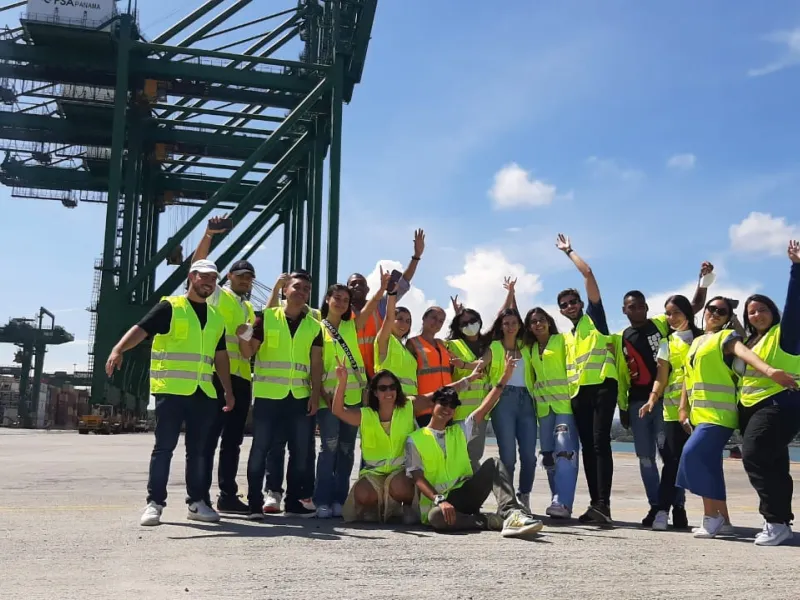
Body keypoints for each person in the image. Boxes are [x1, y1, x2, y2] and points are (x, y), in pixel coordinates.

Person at [105, 259, 235, 526]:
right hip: (171, 390)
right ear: (192, 277)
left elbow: (220, 356)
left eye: (213, 278)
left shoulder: (216, 317)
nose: (209, 282)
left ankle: (196, 503)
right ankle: (154, 504)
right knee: (164, 448)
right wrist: (118, 349)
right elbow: (141, 330)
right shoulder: (170, 307)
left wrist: (228, 390)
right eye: (204, 277)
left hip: (203, 392)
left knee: (198, 452)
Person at [676, 296, 796, 538]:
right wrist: (683, 408)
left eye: (722, 311)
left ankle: (713, 517)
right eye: (711, 308)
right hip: (702, 414)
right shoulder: (697, 341)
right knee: (709, 464)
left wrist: (770, 371)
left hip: (721, 414)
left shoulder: (728, 338)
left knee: (692, 455)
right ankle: (724, 521)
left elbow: (746, 354)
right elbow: (688, 377)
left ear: (728, 318)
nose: (715, 313)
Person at [405, 354, 544, 537]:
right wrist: (439, 500)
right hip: (438, 502)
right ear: (433, 405)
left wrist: (505, 377)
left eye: (452, 406)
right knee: (436, 517)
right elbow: (417, 477)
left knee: (494, 463)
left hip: (466, 494)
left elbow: (486, 406)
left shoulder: (459, 431)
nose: (447, 409)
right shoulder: (415, 439)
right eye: (443, 403)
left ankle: (511, 513)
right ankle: (490, 521)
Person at [617, 262, 713, 527]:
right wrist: (623, 407)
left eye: (641, 306)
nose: (637, 310)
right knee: (645, 459)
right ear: (624, 310)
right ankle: (656, 506)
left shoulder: (662, 325)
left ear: (647, 308)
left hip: (666, 403)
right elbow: (623, 374)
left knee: (670, 457)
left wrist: (702, 281)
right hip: (638, 403)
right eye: (631, 307)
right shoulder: (621, 337)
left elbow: (693, 306)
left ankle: (677, 506)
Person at [330, 358, 482, 523]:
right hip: (374, 473)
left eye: (392, 387)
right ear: (375, 392)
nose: (388, 391)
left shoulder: (408, 406)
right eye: (382, 388)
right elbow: (338, 411)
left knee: (400, 486)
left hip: (401, 472)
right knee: (363, 493)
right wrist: (342, 381)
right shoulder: (365, 415)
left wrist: (469, 379)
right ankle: (376, 507)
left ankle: (407, 507)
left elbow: (440, 394)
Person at [191, 215, 258, 515]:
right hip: (218, 377)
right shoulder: (219, 296)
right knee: (208, 439)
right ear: (229, 277)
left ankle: (227, 495)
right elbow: (198, 265)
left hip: (242, 379)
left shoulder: (248, 308)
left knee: (232, 441)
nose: (245, 280)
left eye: (249, 277)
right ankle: (200, 496)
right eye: (240, 275)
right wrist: (209, 235)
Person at [242, 271, 322, 519]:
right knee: (261, 449)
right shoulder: (266, 318)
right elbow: (248, 352)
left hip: (299, 396)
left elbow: (316, 363)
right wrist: (243, 335)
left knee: (300, 453)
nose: (301, 292)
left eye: (306, 289)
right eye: (297, 287)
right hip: (268, 396)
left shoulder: (314, 326)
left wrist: (315, 395)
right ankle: (255, 502)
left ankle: (294, 502)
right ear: (285, 290)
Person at [736, 240, 800, 546]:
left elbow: (795, 307)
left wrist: (796, 269)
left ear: (773, 312)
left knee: (754, 455)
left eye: (762, 309)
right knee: (775, 464)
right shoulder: (751, 343)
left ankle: (774, 520)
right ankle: (781, 521)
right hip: (751, 408)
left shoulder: (784, 335)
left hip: (779, 404)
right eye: (751, 312)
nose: (757, 314)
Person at [555, 233, 619, 524]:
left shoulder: (594, 318)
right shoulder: (568, 337)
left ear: (581, 303)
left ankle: (603, 503)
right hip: (579, 394)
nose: (570, 306)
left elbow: (588, 274)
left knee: (600, 443)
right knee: (588, 449)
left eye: (573, 302)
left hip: (602, 386)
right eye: (564, 304)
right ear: (561, 310)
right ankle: (596, 504)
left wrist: (569, 252)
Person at [315, 271, 390, 519]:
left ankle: (339, 499)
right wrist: (320, 394)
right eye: (336, 298)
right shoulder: (316, 327)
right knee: (328, 448)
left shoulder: (351, 325)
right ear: (327, 299)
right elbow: (315, 364)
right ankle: (322, 500)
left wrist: (381, 289)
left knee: (347, 449)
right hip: (329, 396)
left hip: (354, 397)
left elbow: (370, 307)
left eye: (345, 300)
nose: (341, 303)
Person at [639, 294, 703, 531]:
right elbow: (661, 376)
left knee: (698, 461)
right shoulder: (667, 343)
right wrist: (652, 399)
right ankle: (663, 510)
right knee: (672, 461)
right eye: (668, 313)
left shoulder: (703, 338)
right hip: (673, 410)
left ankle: (713, 514)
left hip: (702, 407)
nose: (671, 317)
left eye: (676, 312)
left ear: (688, 313)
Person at [445, 278, 516, 469]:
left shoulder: (487, 342)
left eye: (472, 321)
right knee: (456, 455)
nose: (470, 325)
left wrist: (510, 293)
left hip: (481, 410)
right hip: (458, 411)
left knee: (474, 456)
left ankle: (472, 488)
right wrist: (458, 315)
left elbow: (500, 316)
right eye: (464, 323)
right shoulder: (452, 345)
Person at [478, 306, 537, 511]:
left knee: (529, 456)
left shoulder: (526, 346)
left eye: (514, 323)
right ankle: (507, 501)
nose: (510, 327)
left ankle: (524, 495)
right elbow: (479, 364)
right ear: (501, 326)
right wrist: (464, 365)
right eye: (506, 323)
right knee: (508, 457)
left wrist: (512, 293)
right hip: (503, 401)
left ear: (520, 325)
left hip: (527, 401)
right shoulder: (495, 347)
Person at [523, 306, 579, 519]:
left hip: (564, 406)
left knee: (565, 453)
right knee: (548, 456)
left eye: (541, 319)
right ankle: (556, 498)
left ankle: (563, 502)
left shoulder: (562, 340)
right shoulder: (530, 349)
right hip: (543, 408)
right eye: (533, 321)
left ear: (549, 321)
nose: (538, 324)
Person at [347, 229, 426, 378]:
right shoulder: (341, 312)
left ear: (368, 289)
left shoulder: (380, 306)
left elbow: (403, 283)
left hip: (378, 374)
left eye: (361, 284)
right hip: (352, 377)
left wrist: (416, 256)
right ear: (347, 289)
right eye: (353, 284)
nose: (357, 286)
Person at [407, 306, 452, 427]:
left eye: (441, 321)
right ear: (424, 318)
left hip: (447, 405)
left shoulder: (442, 344)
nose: (437, 323)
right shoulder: (412, 344)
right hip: (425, 406)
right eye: (434, 318)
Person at [374, 292, 417, 396]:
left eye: (408, 321)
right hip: (390, 399)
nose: (404, 324)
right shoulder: (386, 340)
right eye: (400, 319)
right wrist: (392, 293)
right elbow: (388, 318)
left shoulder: (406, 350)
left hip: (409, 401)